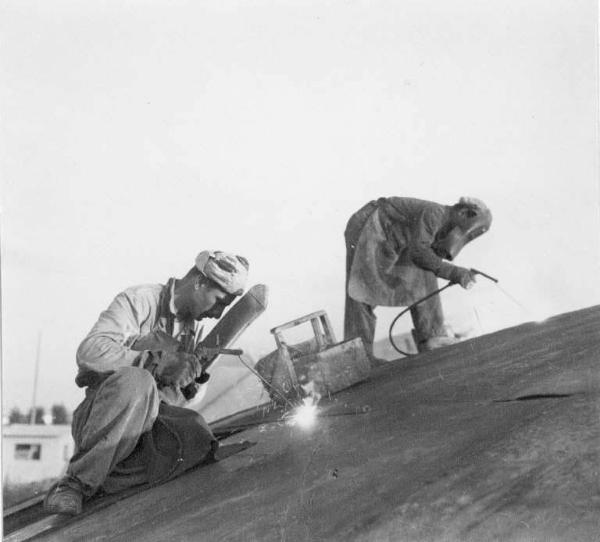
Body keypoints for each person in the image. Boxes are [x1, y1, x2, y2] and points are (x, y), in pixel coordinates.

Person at [44, 250, 249, 515]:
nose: (218, 313)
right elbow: (90, 352)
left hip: (143, 429)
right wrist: (155, 362)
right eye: (219, 301)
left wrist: (190, 381)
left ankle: (110, 477)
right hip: (101, 420)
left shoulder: (192, 327)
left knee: (196, 432)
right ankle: (74, 484)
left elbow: (174, 397)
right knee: (137, 381)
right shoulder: (139, 301)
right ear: (199, 282)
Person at [344, 196, 492, 358]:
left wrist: (451, 269)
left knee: (424, 274)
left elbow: (428, 259)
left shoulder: (442, 224)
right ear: (464, 213)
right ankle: (357, 357)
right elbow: (419, 253)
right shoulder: (435, 213)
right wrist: (455, 273)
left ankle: (433, 338)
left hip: (392, 236)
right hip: (370, 224)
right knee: (362, 290)